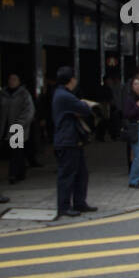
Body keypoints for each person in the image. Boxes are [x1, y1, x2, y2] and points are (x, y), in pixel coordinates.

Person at [51, 67, 97, 216]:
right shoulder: (64, 96)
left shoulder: (62, 94)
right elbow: (85, 109)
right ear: (71, 80)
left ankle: (79, 203)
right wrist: (85, 104)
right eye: (74, 78)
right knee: (67, 175)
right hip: (67, 141)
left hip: (72, 140)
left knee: (81, 174)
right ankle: (64, 207)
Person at [0, 73, 35, 185]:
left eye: (14, 79)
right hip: (4, 127)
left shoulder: (24, 94)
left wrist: (20, 124)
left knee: (16, 151)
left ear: (19, 81)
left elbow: (29, 111)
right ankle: (17, 172)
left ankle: (14, 174)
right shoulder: (4, 93)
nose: (12, 81)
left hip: (17, 127)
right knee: (9, 151)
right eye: (10, 79)